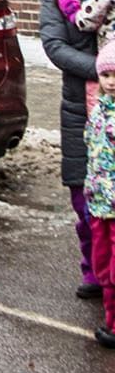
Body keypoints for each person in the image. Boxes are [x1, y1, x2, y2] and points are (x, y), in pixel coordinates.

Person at [48, 0, 113, 299]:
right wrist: (104, 71)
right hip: (78, 106)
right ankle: (94, 270)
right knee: (82, 192)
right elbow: (55, 47)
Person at [87, 44, 115, 348]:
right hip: (100, 203)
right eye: (106, 74)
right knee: (104, 264)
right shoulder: (98, 111)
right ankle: (110, 320)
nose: (111, 81)